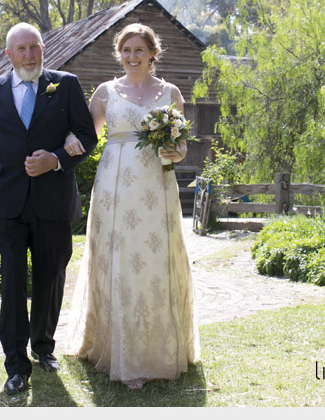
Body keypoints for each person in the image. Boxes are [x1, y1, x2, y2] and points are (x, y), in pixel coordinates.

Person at [62, 23, 200, 389]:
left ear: (152, 53)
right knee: (118, 258)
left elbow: (181, 146)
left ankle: (159, 348)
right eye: (126, 51)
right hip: (115, 185)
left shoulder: (170, 93)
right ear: (118, 54)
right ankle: (112, 345)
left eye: (139, 50)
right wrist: (70, 137)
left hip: (157, 182)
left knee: (155, 259)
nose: (132, 57)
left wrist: (176, 151)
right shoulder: (106, 92)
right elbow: (87, 135)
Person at [0, 22, 98, 396]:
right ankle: (15, 366)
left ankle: (43, 346)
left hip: (53, 201)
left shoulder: (65, 85)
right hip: (5, 202)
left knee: (51, 275)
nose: (28, 55)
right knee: (12, 280)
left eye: (34, 48)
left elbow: (87, 136)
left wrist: (55, 159)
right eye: (21, 49)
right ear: (8, 55)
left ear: (43, 49)